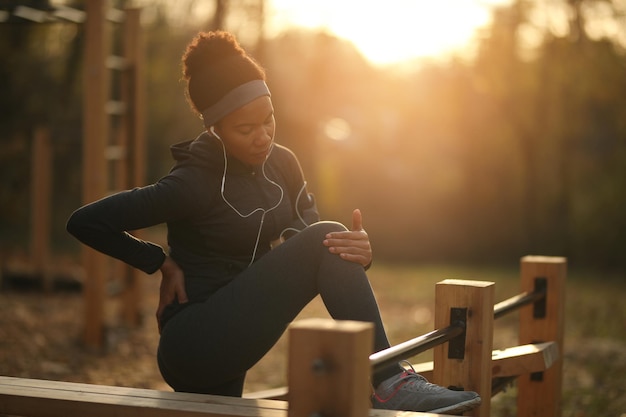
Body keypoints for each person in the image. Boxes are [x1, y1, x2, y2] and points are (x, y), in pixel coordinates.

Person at [66, 30, 480, 414]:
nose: (262, 136)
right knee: (325, 237)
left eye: (268, 119)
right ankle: (388, 381)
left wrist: (356, 251)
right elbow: (86, 221)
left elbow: (314, 246)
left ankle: (389, 379)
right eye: (245, 128)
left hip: (240, 334)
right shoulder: (194, 180)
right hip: (193, 342)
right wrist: (159, 261)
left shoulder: (282, 164)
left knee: (326, 237)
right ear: (216, 128)